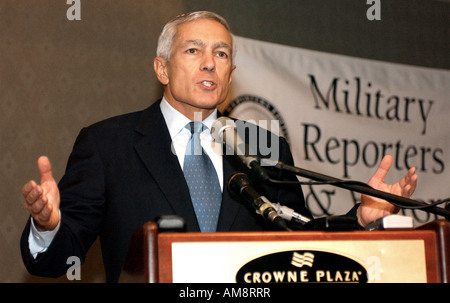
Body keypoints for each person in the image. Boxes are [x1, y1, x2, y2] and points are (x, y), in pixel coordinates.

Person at [21, 11, 418, 283]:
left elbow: (301, 240)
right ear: (162, 68)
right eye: (193, 50)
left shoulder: (263, 145)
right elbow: (57, 260)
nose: (209, 63)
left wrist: (362, 218)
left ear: (230, 74)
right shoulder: (109, 143)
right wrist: (48, 226)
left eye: (222, 54)